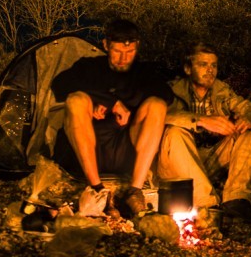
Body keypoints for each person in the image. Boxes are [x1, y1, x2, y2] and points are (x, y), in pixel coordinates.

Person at [51, 19, 173, 218]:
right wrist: (108, 102)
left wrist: (126, 106)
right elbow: (59, 85)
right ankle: (97, 188)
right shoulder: (89, 67)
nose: (123, 58)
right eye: (117, 51)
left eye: (130, 52)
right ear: (106, 45)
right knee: (76, 100)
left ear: (137, 46)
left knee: (157, 105)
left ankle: (134, 191)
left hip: (127, 150)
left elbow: (166, 95)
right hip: (91, 149)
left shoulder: (144, 73)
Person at [157, 43, 251, 225]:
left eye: (213, 65)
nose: (210, 70)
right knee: (174, 132)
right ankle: (208, 205)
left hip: (208, 161)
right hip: (177, 166)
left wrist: (248, 118)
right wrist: (201, 120)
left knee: (248, 129)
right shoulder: (172, 90)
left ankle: (236, 200)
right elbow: (160, 115)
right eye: (203, 64)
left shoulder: (221, 90)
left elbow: (250, 107)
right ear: (188, 69)